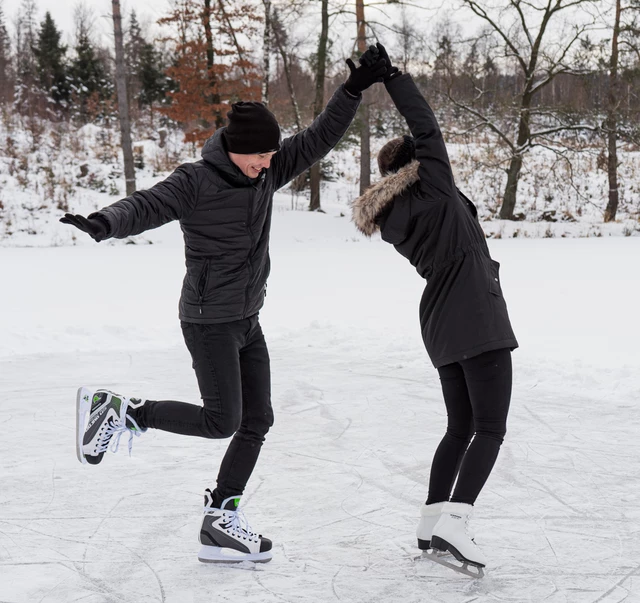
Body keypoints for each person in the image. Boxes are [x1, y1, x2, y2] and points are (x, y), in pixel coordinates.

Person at [61, 55, 388, 564]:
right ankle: (123, 412)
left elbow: (321, 137)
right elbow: (146, 205)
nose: (267, 165)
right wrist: (106, 222)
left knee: (258, 419)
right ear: (236, 151)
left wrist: (353, 88)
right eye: (259, 157)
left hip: (247, 318)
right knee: (222, 420)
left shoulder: (266, 170)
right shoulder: (194, 182)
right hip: (208, 320)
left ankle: (221, 520)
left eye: (271, 156)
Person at [352, 44, 518, 573]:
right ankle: (457, 522)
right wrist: (393, 78)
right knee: (489, 429)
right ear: (417, 165)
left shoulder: (396, 213)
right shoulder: (435, 186)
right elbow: (426, 123)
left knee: (459, 427)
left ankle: (430, 522)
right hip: (476, 316)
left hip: (440, 323)